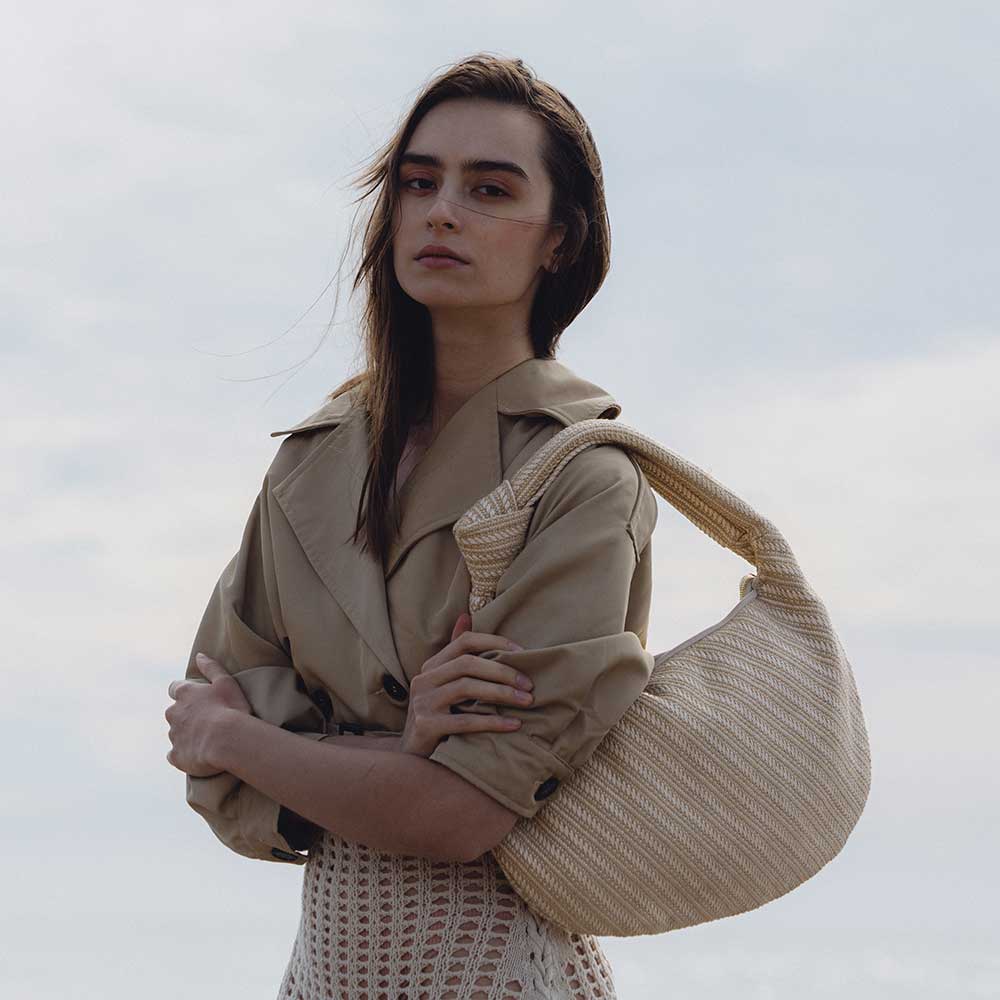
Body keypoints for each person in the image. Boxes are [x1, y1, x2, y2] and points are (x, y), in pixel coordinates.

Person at [165, 52, 658, 999]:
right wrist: (407, 744)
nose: (442, 210)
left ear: (559, 239)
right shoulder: (311, 462)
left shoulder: (586, 474)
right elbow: (212, 775)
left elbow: (462, 815)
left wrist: (252, 741)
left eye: (490, 188)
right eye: (419, 182)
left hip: (506, 972)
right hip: (326, 968)